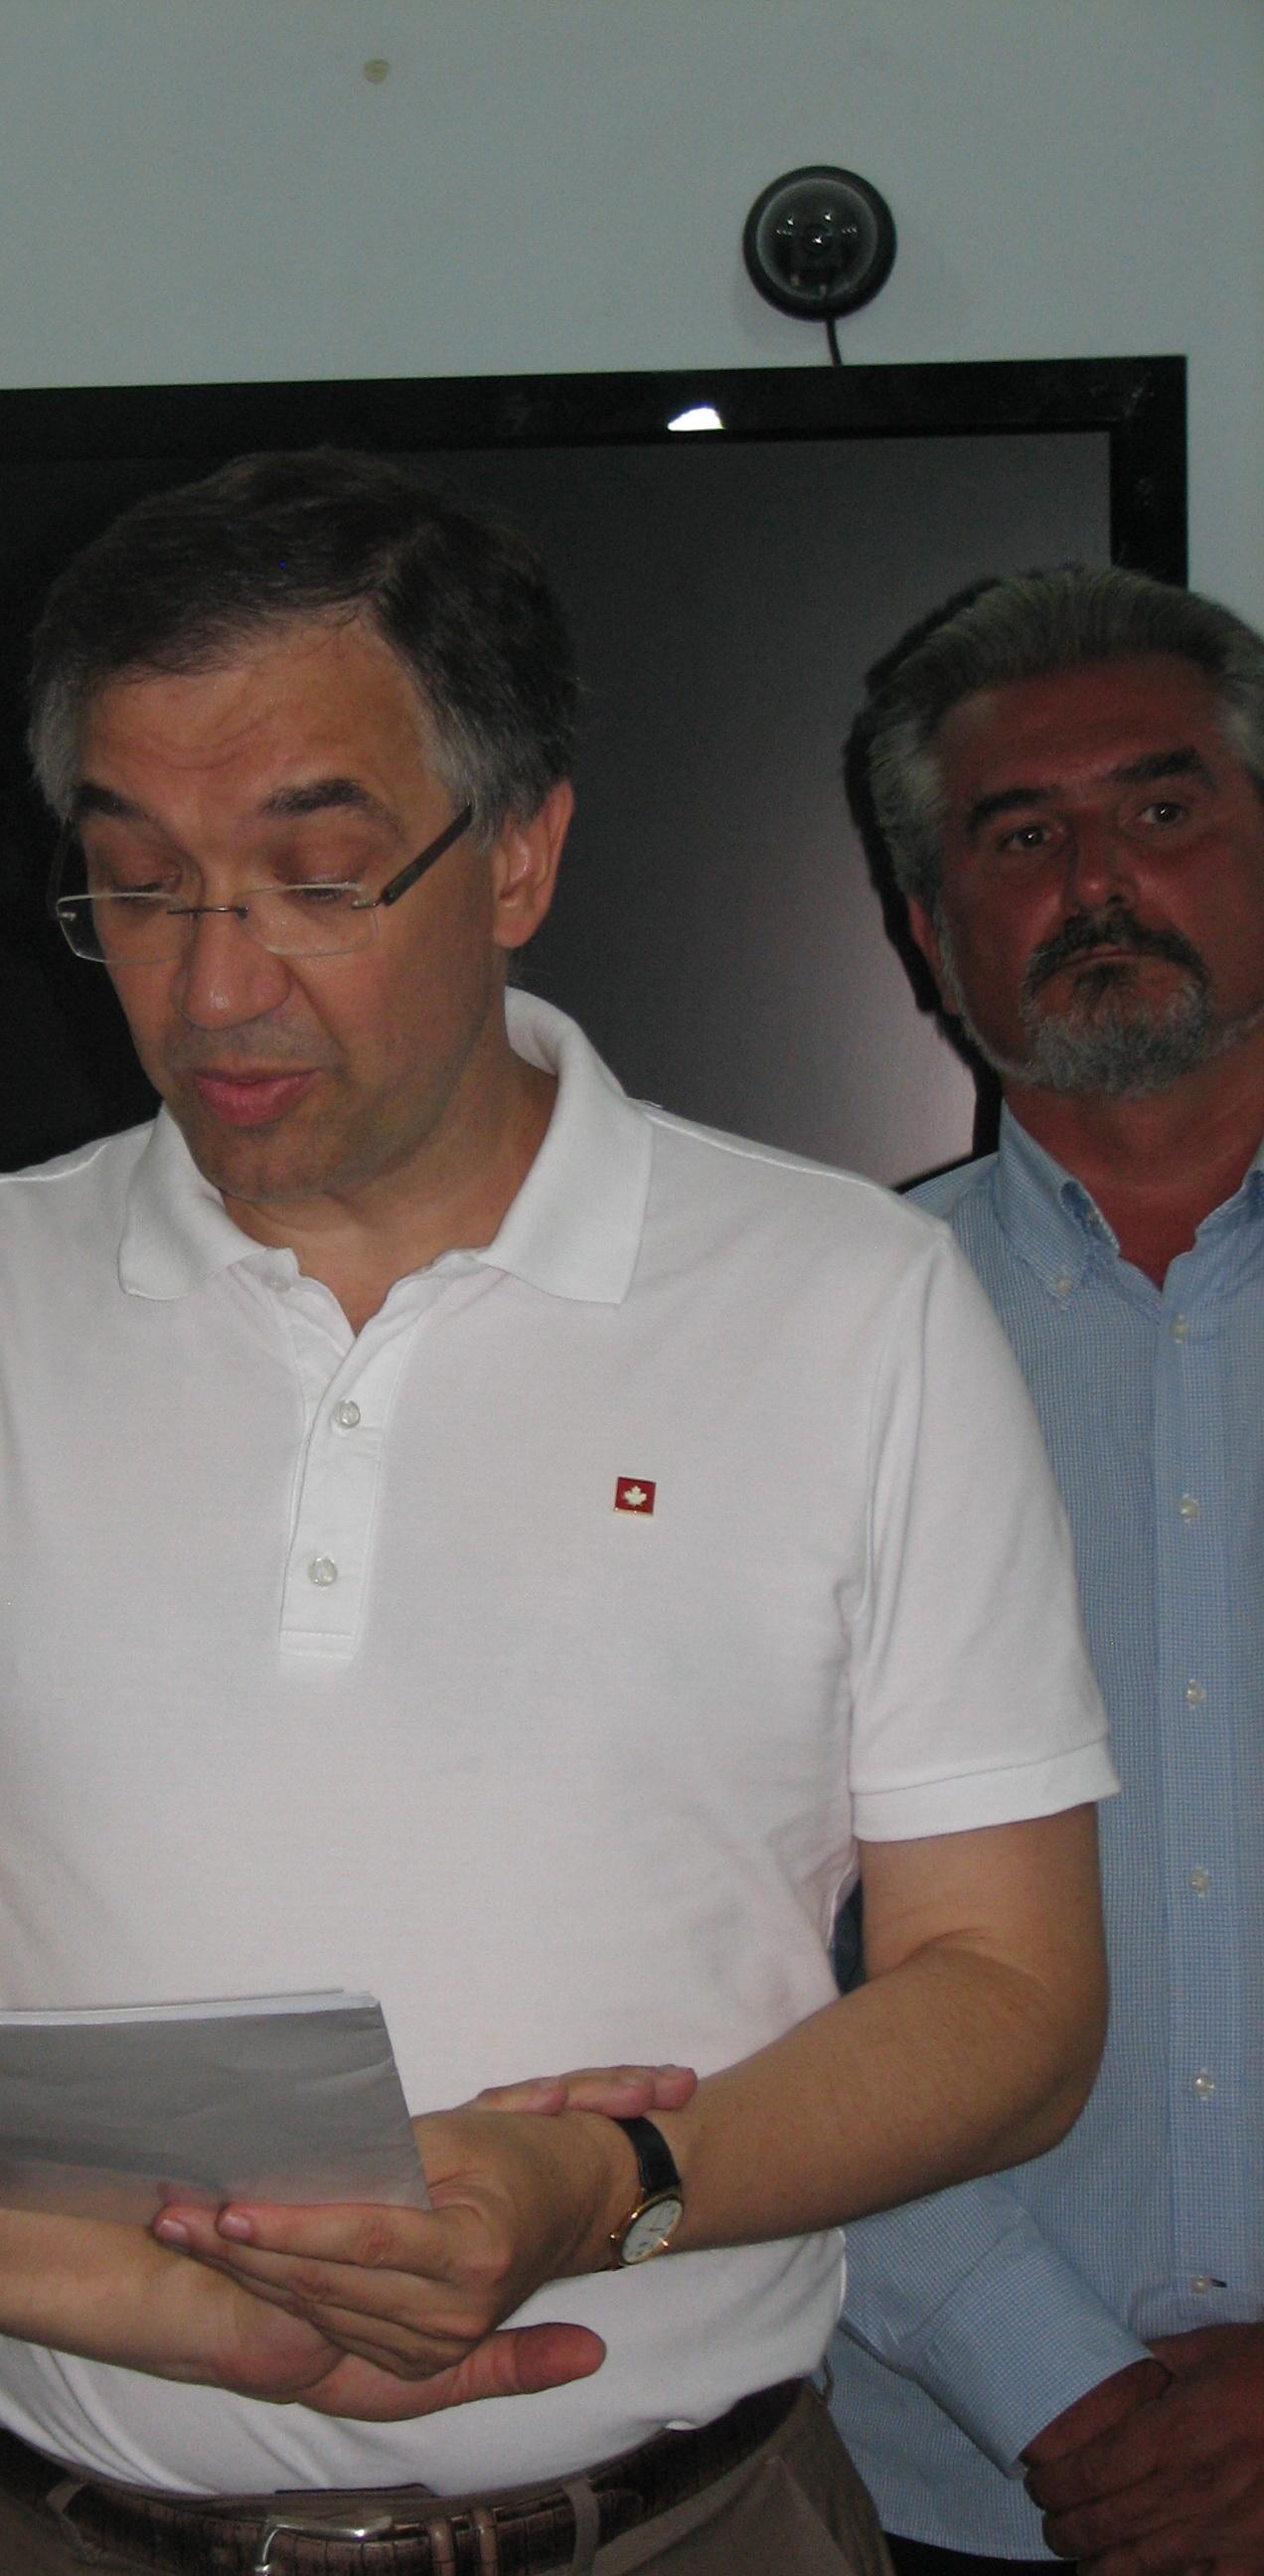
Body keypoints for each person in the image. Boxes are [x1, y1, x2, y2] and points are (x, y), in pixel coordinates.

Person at [0, 450, 1118, 2576]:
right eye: (137, 883)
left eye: (317, 881)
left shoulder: (854, 1304)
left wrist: (609, 2189)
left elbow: (1013, 2001)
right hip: (36, 2521)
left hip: (686, 2525)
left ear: (519, 854)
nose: (214, 989)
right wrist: (183, 2313)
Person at [828, 564, 1264, 2575]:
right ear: (930, 938)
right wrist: (1063, 2389)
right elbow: (724, 1954)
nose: (1098, 882)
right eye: (1021, 839)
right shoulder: (793, 1358)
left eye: (1163, 809)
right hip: (961, 2483)